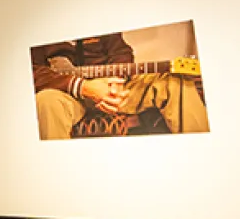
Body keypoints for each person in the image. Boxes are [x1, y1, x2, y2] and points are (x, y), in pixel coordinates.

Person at [32, 31, 208, 140]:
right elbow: (34, 71)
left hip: (113, 86)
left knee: (174, 83)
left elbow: (122, 53)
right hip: (67, 93)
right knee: (45, 100)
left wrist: (114, 83)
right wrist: (82, 87)